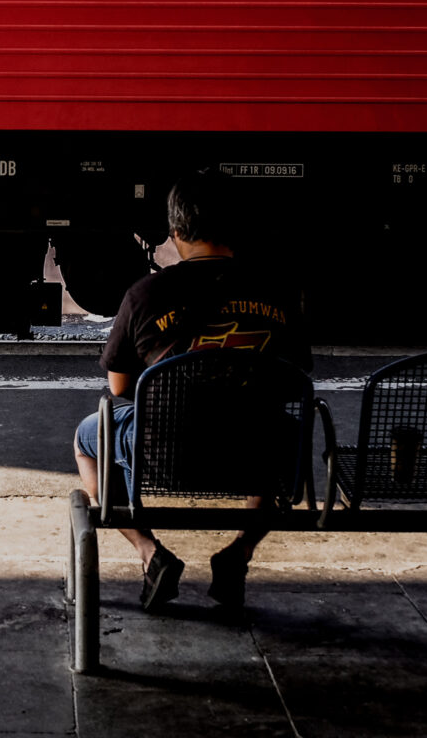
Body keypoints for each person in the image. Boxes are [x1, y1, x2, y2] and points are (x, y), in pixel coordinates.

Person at [72, 167, 312, 612]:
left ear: (176, 230)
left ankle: (150, 552)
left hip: (164, 453)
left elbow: (121, 386)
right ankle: (238, 553)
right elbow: (293, 376)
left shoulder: (145, 293)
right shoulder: (278, 292)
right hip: (256, 452)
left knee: (89, 436)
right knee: (284, 431)